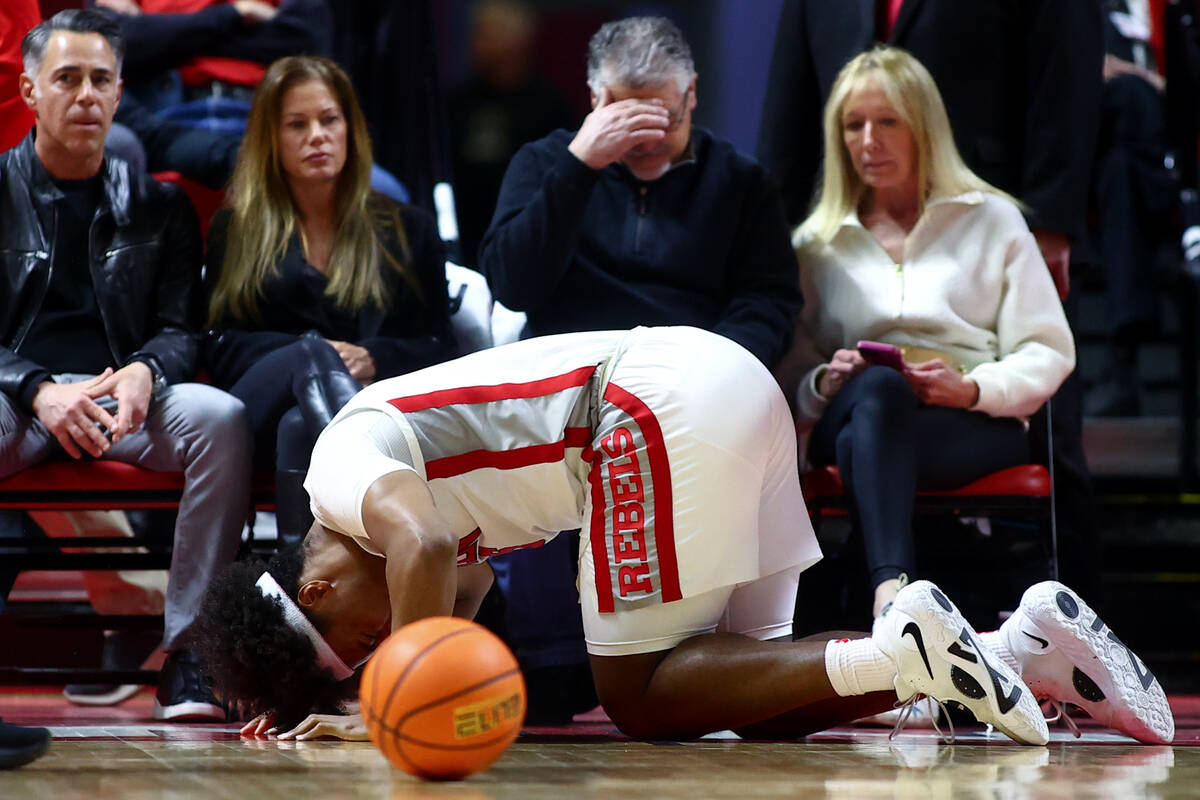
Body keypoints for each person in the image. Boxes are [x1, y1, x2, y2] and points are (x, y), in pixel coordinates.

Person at [195, 326, 1173, 746]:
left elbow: (419, 550)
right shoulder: (377, 514)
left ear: (316, 589)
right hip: (718, 387)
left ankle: (906, 642)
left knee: (640, 696)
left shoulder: (337, 475)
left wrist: (381, 703)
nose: (385, 648)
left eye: (365, 644)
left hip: (646, 408)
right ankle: (1017, 645)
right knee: (747, 691)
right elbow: (464, 607)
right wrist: (328, 703)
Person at [477, 15, 802, 721]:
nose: (648, 135)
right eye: (627, 111)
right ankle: (552, 663)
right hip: (570, 375)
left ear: (692, 95)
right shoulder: (545, 164)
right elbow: (512, 284)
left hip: (692, 380)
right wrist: (579, 167)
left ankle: (706, 659)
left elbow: (769, 302)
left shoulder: (741, 183)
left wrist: (711, 363)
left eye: (665, 112)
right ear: (595, 102)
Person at [757, 0, 1104, 601]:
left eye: (888, 122)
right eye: (853, 125)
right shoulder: (816, 242)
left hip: (964, 417)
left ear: (926, 127)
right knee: (876, 392)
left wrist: (969, 388)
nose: (869, 142)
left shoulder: (994, 219)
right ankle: (895, 593)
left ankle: (871, 588)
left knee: (864, 437)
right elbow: (793, 367)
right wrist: (823, 380)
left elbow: (1047, 352)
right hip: (861, 409)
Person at [0, 9, 252, 721]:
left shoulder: (160, 205)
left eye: (100, 80)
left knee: (222, 418)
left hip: (120, 403)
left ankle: (193, 656)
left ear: (119, 93)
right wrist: (36, 386)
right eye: (67, 78)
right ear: (29, 90)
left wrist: (147, 368)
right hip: (15, 401)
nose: (85, 94)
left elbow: (182, 328)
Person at [204, 55, 455, 547]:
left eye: (329, 120)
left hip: (372, 406)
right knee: (310, 354)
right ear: (271, 141)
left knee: (304, 424)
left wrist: (374, 356)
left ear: (350, 129)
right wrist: (308, 355)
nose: (317, 135)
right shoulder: (235, 230)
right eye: (297, 124)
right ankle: (382, 504)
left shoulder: (409, 229)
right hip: (261, 411)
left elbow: (440, 348)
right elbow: (218, 347)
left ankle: (306, 592)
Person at [447, 0, 574, 264]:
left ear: (517, 41)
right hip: (466, 234)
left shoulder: (550, 106)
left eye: (487, 34)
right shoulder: (458, 103)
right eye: (477, 34)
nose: (477, 44)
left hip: (526, 238)